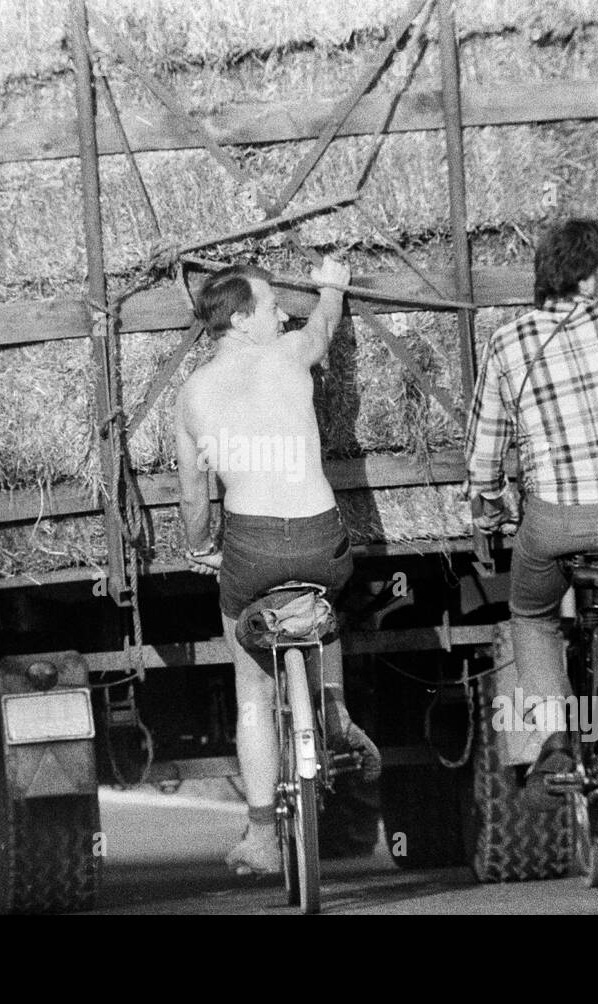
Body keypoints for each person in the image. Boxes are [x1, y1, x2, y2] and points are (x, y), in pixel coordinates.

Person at [173, 256, 381, 875]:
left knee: (252, 694)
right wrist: (332, 286)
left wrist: (198, 546)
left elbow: (193, 496)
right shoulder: (292, 355)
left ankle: (261, 835)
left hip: (252, 550)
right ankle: (336, 709)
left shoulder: (194, 393)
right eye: (269, 306)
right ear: (240, 318)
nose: (282, 313)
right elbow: (322, 327)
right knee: (323, 600)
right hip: (321, 539)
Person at [463, 217, 598, 805]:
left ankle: (558, 738)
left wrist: (486, 514)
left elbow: (485, 455)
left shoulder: (508, 342)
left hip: (555, 524)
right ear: (587, 280)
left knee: (532, 617)